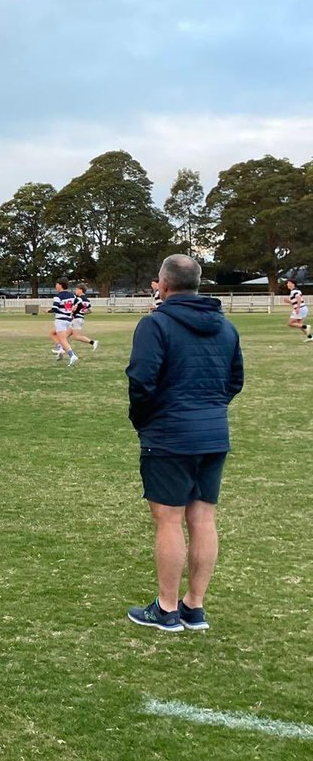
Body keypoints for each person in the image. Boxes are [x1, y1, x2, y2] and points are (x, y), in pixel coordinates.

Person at [125, 255, 244, 633]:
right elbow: (234, 381)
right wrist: (209, 410)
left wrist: (145, 421)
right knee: (203, 517)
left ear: (162, 283)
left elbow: (141, 382)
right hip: (212, 434)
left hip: (170, 436)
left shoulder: (155, 324)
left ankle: (167, 608)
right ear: (198, 283)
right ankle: (195, 606)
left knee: (170, 520)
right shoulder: (226, 328)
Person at [49, 279, 78, 366]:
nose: (56, 286)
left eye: (56, 284)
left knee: (62, 339)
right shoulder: (72, 295)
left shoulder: (58, 296)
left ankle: (72, 355)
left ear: (60, 285)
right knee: (52, 333)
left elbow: (55, 308)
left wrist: (48, 310)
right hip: (68, 320)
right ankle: (60, 348)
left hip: (61, 320)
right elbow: (78, 304)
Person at [66, 285, 99, 354]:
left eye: (76, 289)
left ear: (80, 290)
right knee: (65, 336)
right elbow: (90, 310)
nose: (75, 291)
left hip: (76, 319)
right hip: (79, 318)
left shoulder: (78, 299)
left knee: (77, 336)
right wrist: (82, 313)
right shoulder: (87, 300)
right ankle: (62, 350)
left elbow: (74, 308)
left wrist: (70, 313)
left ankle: (93, 342)